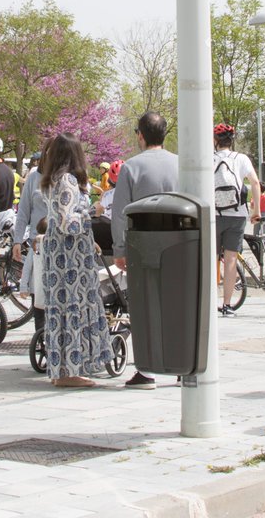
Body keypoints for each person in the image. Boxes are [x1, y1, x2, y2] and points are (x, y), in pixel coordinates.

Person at [39, 132, 113, 388]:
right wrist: (95, 210)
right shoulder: (69, 181)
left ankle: (62, 371)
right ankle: (69, 373)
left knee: (60, 311)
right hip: (69, 260)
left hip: (56, 254)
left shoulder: (52, 180)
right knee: (73, 307)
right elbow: (68, 223)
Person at [112, 111, 179, 389]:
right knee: (177, 304)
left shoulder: (130, 167)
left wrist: (119, 248)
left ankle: (146, 371)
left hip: (143, 243)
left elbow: (119, 213)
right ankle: (181, 365)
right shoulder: (181, 164)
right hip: (179, 242)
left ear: (140, 134)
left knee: (143, 306)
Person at [213, 123, 262, 318]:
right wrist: (256, 210)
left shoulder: (209, 158)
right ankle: (227, 305)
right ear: (232, 140)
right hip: (238, 214)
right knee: (231, 260)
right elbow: (255, 183)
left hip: (214, 215)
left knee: (212, 260)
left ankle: (210, 302)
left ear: (215, 141)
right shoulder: (241, 158)